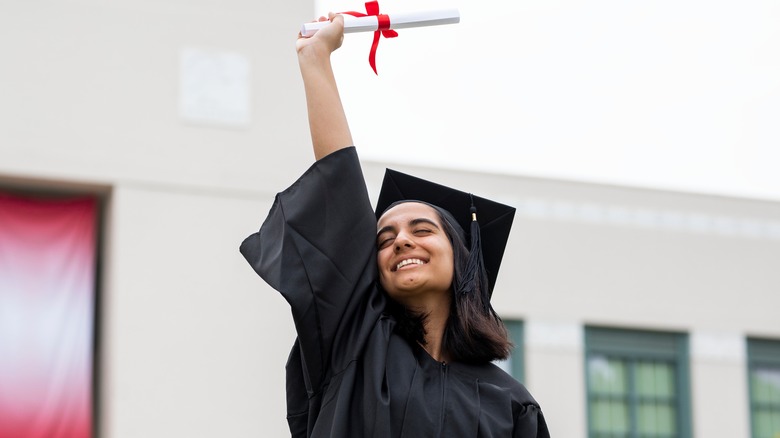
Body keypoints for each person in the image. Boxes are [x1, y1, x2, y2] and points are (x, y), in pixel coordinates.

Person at [240, 13, 550, 438]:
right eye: (384, 239)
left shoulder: (511, 406)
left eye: (422, 230)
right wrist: (316, 59)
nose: (402, 240)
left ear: (461, 257)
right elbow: (341, 187)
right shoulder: (357, 343)